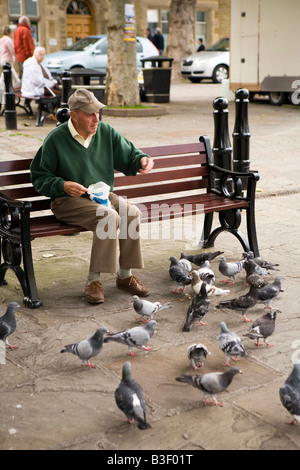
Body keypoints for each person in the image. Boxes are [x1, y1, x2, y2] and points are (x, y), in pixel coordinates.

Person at [30, 88, 154, 305]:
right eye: (89, 114)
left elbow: (130, 155)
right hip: (66, 201)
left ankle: (125, 276)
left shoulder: (105, 132)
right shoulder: (56, 139)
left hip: (100, 195)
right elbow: (39, 177)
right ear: (73, 114)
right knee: (108, 217)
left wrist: (141, 161)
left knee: (132, 212)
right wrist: (62, 185)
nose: (96, 118)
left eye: (98, 112)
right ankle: (93, 281)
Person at [0, 25, 21, 100]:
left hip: (2, 60)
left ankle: (12, 95)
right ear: (9, 32)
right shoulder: (8, 40)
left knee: (10, 77)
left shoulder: (1, 40)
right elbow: (12, 50)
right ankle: (5, 96)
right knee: (14, 79)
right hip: (7, 61)